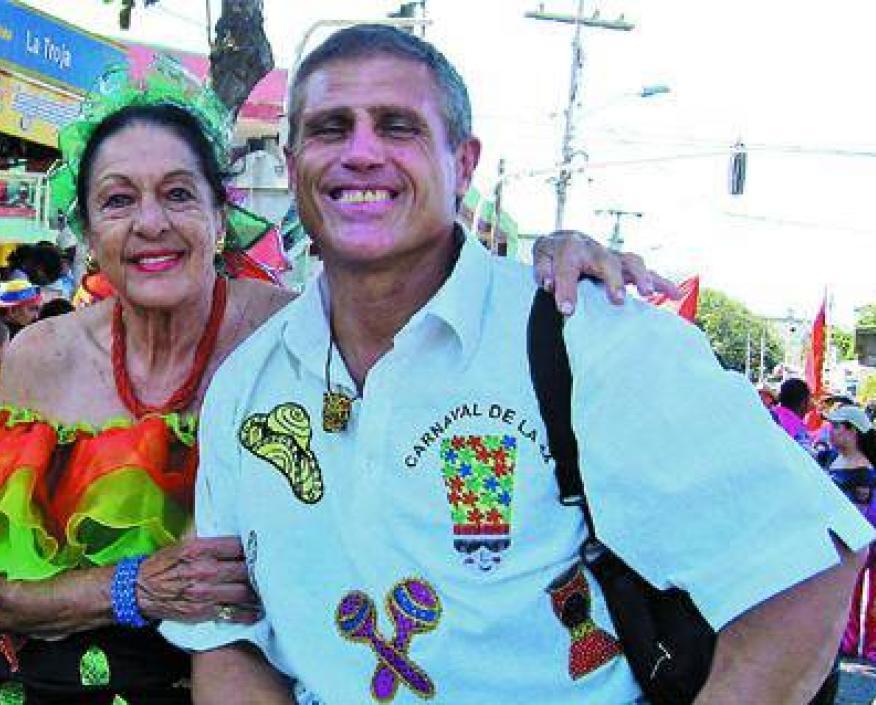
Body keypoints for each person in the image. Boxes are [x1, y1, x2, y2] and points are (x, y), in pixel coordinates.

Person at [0, 58, 656, 705]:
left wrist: (560, 257)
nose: (150, 223)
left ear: (223, 212)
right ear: (85, 231)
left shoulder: (298, 342)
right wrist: (133, 588)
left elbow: (427, 303)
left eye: (179, 194)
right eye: (118, 200)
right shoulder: (40, 355)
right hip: (53, 682)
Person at [163, 25, 871, 705]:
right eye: (329, 128)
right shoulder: (248, 386)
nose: (361, 153)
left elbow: (807, 564)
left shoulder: (587, 335)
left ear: (464, 163)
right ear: (291, 165)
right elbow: (227, 639)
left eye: (398, 126)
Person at [825, 404, 876, 661]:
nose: (830, 431)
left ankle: (871, 645)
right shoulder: (834, 460)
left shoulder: (863, 470)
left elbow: (861, 511)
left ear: (852, 431)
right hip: (845, 538)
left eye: (836, 426)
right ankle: (848, 639)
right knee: (848, 592)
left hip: (861, 538)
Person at [774, 377, 815, 448]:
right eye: (810, 397)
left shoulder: (772, 415)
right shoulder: (795, 428)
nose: (812, 401)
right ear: (803, 402)